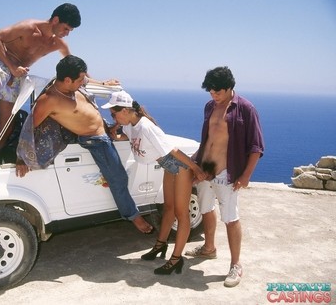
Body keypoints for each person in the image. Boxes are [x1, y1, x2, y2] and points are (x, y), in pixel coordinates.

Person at [16, 55, 154, 234]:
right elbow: (29, 127)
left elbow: (87, 81)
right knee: (118, 178)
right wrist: (21, 157)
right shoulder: (50, 100)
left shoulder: (71, 86)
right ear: (67, 80)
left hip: (105, 130)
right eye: (80, 79)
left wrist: (104, 84)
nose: (84, 81)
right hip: (96, 141)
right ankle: (133, 216)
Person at [0, 3, 81, 175]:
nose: (67, 33)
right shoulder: (28, 27)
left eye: (70, 30)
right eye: (66, 28)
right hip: (0, 64)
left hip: (18, 75)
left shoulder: (58, 44)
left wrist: (101, 82)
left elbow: (74, 67)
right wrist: (11, 67)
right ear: (55, 20)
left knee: (7, 124)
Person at [101, 91, 206, 275]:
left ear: (125, 110)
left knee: (182, 214)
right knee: (168, 208)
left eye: (114, 114)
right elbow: (125, 137)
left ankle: (176, 259)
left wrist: (196, 169)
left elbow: (173, 150)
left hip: (180, 166)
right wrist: (114, 132)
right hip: (168, 166)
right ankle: (160, 245)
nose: (113, 117)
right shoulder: (130, 126)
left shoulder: (146, 127)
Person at [184, 66, 265, 287]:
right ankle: (209, 248)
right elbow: (208, 139)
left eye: (217, 92)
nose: (213, 96)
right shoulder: (210, 106)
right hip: (204, 172)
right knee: (206, 209)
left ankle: (236, 265)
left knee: (230, 218)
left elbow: (256, 147)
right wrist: (193, 162)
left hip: (227, 174)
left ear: (230, 88)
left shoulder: (246, 109)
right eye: (210, 92)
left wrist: (246, 175)